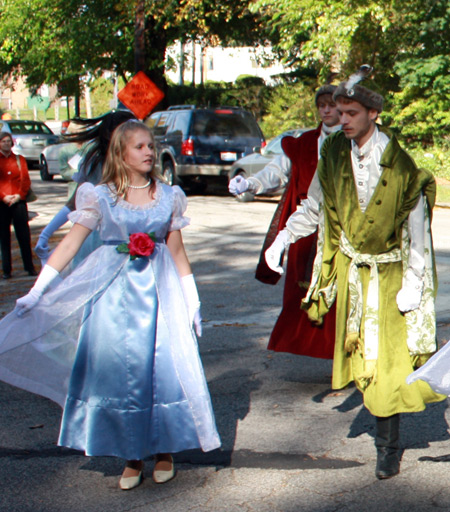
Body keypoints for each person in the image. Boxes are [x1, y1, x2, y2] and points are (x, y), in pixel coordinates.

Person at [0, 120, 220, 490]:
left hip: (160, 294)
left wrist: (192, 300)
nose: (149, 152)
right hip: (113, 299)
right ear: (121, 153)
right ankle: (132, 455)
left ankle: (164, 449)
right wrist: (38, 291)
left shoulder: (168, 196)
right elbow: (70, 244)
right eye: (139, 146)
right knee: (122, 375)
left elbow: (178, 251)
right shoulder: (99, 196)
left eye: (151, 145)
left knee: (162, 371)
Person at [265, 66, 445, 479]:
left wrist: (414, 283)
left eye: (350, 113)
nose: (341, 120)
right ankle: (384, 430)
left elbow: (416, 230)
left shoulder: (401, 167)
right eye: (340, 112)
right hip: (352, 274)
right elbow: (314, 207)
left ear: (373, 114)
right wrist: (282, 239)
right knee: (362, 359)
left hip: (392, 275)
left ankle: (388, 447)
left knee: (387, 364)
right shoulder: (331, 155)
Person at [228, 85, 340, 358]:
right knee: (301, 291)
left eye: (331, 105)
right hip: (304, 229)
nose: (325, 110)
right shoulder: (302, 143)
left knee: (338, 291)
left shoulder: (352, 142)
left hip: (340, 228)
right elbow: (276, 172)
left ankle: (342, 351)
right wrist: (251, 183)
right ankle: (307, 343)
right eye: (321, 105)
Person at [34, 110, 136, 263]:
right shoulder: (94, 164)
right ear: (111, 135)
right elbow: (75, 202)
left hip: (135, 240)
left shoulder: (142, 164)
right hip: (98, 243)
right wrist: (46, 233)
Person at [0, 131, 37, 279]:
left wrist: (19, 196)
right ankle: (7, 270)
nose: (6, 144)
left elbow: (25, 179)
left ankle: (29, 267)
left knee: (23, 236)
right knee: (4, 237)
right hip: (2, 203)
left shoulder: (19, 159)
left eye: (8, 141)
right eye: (3, 141)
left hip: (18, 202)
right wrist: (3, 197)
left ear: (12, 143)